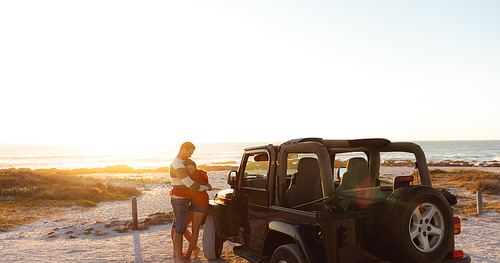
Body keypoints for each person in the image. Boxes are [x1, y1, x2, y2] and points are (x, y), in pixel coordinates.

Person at [170, 142, 211, 262]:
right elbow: (191, 185)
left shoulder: (180, 163)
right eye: (189, 152)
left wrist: (175, 190)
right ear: (183, 149)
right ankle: (179, 257)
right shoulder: (178, 163)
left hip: (184, 199)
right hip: (180, 200)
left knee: (177, 227)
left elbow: (185, 183)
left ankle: (179, 252)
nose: (190, 155)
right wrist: (206, 187)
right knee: (179, 229)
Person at [180, 159, 209, 261]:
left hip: (200, 203)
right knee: (182, 227)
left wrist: (175, 192)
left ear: (195, 166)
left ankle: (188, 255)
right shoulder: (195, 175)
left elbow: (191, 192)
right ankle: (195, 248)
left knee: (194, 229)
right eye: (187, 170)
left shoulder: (197, 174)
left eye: (191, 168)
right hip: (194, 203)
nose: (190, 171)